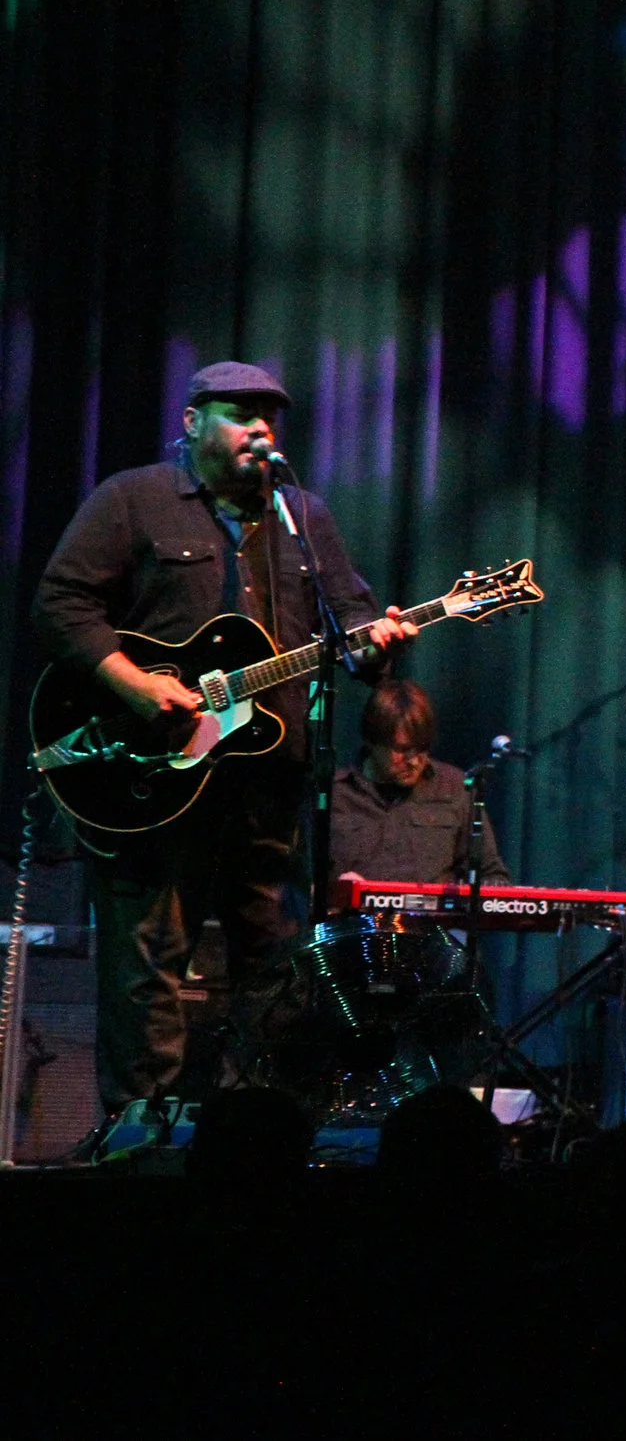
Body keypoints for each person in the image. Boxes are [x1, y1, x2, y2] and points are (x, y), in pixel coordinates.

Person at [30, 361, 420, 1106]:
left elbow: (353, 619)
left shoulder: (302, 516)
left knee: (274, 961)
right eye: (241, 414)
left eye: (269, 416)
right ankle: (143, 1135)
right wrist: (135, 684)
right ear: (192, 421)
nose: (260, 428)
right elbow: (60, 605)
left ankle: (261, 1125)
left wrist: (378, 644)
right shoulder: (134, 499)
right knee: (151, 961)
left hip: (267, 777)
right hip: (153, 773)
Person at [330, 677, 512, 896]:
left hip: (432, 918)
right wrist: (335, 891)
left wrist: (481, 895)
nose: (415, 761)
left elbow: (492, 874)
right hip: (352, 917)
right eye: (402, 750)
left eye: (422, 748)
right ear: (372, 741)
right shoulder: (334, 794)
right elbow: (302, 884)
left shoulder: (455, 788)